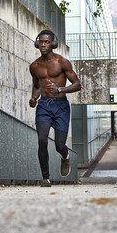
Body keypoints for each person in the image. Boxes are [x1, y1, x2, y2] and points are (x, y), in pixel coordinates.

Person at [29, 30, 81, 187]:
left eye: (47, 42)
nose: (43, 44)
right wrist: (34, 98)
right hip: (44, 105)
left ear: (53, 44)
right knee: (42, 140)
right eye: (41, 42)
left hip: (61, 107)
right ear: (37, 43)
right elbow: (36, 86)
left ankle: (65, 155)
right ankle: (45, 178)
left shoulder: (62, 62)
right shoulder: (34, 66)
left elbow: (77, 84)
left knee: (59, 145)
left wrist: (60, 90)